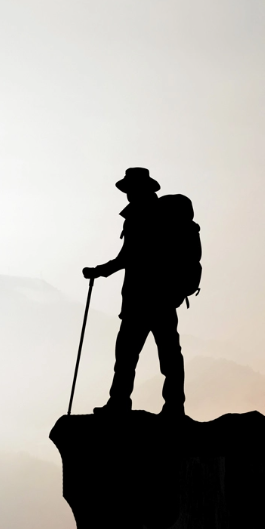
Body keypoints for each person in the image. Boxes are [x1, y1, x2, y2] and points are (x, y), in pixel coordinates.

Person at [83, 167, 188, 417]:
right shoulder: (164, 215)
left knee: (127, 355)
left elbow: (127, 258)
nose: (128, 194)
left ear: (139, 189)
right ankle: (174, 407)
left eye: (130, 189)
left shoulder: (140, 217)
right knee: (170, 356)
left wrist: (99, 271)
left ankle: (119, 403)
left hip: (140, 300)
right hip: (163, 299)